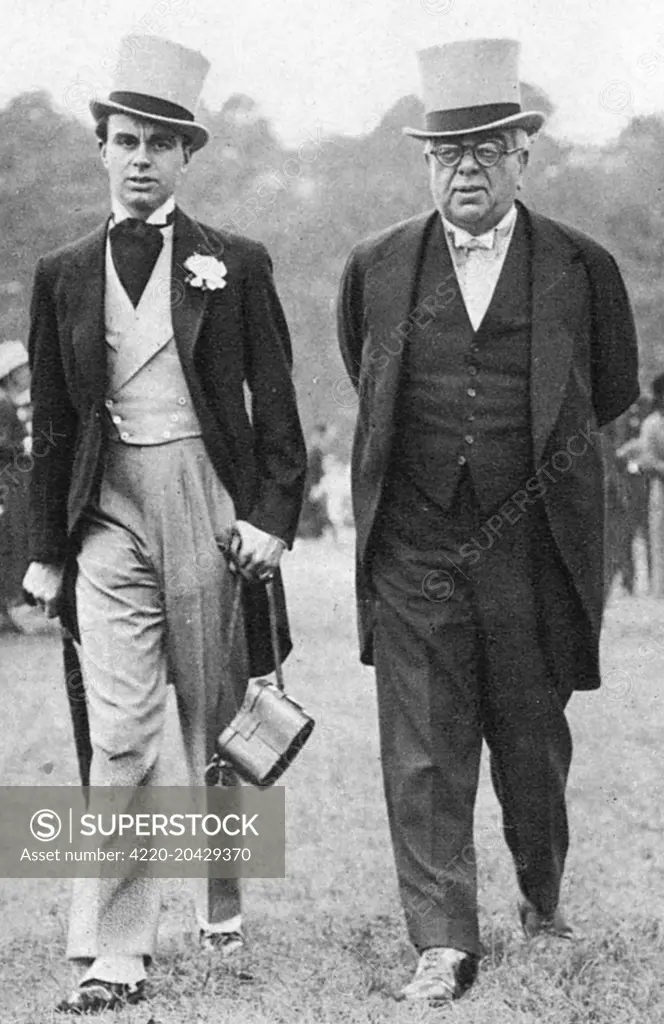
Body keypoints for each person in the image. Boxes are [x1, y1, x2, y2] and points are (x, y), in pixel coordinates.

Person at [337, 38, 639, 1004]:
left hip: (531, 543)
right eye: (444, 153)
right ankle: (443, 940)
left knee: (530, 734)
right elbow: (367, 371)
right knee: (422, 742)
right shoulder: (377, 264)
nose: (463, 170)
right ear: (425, 161)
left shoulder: (582, 268)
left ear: (523, 154)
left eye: (485, 151)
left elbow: (610, 390)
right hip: (415, 543)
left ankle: (542, 894)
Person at [22, 35, 306, 1014]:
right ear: (102, 147)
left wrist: (271, 515)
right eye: (125, 139)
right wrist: (42, 556)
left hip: (206, 501)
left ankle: (222, 895)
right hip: (107, 517)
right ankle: (116, 952)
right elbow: (51, 426)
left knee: (218, 726)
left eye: (159, 143)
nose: (140, 158)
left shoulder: (235, 263)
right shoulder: (61, 272)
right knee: (122, 732)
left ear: (187, 156)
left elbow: (277, 405)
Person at [617, 375, 664, 595]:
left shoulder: (649, 415)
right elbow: (647, 458)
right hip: (646, 484)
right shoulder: (649, 422)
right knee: (645, 533)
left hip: (647, 481)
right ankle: (641, 584)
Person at [0, 341, 31, 629]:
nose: (26, 373)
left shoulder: (11, 403)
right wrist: (22, 445)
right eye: (20, 370)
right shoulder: (4, 405)